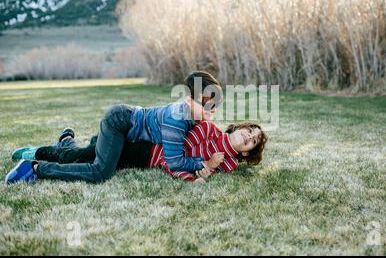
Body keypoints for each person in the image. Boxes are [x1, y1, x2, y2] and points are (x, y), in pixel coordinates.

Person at [4, 71, 223, 185]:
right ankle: (33, 168)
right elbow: (174, 161)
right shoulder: (177, 119)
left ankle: (65, 140)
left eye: (214, 105)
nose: (210, 110)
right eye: (205, 103)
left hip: (128, 132)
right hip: (119, 123)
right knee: (100, 171)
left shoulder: (194, 117)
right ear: (188, 100)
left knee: (82, 155)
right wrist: (202, 163)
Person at [11, 121, 268, 183]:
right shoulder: (209, 128)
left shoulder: (229, 165)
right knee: (82, 159)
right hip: (143, 145)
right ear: (242, 126)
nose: (250, 135)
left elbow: (198, 173)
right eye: (251, 130)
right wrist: (205, 165)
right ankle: (39, 152)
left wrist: (207, 169)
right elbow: (174, 156)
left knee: (89, 155)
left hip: (144, 158)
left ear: (246, 153)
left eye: (253, 141)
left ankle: (68, 142)